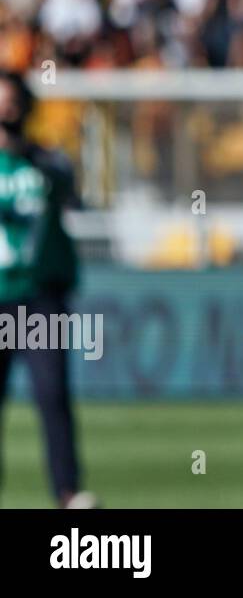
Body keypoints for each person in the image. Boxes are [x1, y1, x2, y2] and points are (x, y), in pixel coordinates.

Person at [0, 70, 97, 508]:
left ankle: (67, 492)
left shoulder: (47, 163)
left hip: (38, 297)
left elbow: (72, 196)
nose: (6, 109)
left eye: (12, 100)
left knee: (51, 394)